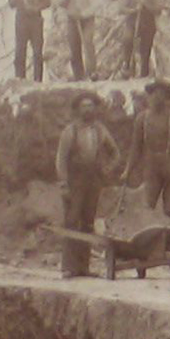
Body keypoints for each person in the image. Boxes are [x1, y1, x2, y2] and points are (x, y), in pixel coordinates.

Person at [55, 92, 121, 277]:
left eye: (91, 106)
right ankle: (69, 267)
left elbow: (115, 153)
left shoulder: (100, 130)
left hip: (93, 182)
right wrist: (63, 184)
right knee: (71, 222)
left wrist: (108, 169)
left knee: (87, 224)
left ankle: (84, 267)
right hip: (75, 182)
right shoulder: (70, 131)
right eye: (84, 106)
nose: (88, 109)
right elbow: (61, 159)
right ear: (78, 109)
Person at [121, 80, 170, 217]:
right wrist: (127, 170)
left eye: (162, 95)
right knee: (148, 206)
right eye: (155, 94)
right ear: (149, 96)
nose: (158, 98)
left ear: (167, 98)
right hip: (151, 169)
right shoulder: (142, 119)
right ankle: (150, 237)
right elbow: (136, 147)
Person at [119, 0, 161, 78]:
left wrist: (148, 6)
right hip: (132, 21)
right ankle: (126, 65)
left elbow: (159, 8)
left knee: (146, 48)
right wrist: (133, 9)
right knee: (128, 40)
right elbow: (121, 7)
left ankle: (144, 73)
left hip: (148, 21)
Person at [58, 0, 97, 80]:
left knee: (88, 42)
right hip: (72, 20)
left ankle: (92, 72)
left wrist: (83, 14)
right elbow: (60, 1)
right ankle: (78, 75)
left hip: (87, 19)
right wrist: (62, 1)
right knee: (74, 46)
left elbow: (96, 4)